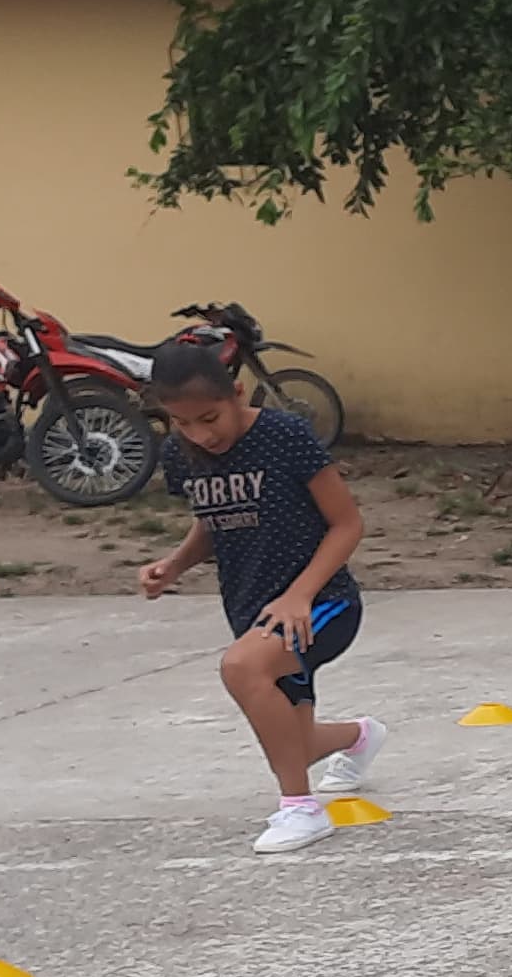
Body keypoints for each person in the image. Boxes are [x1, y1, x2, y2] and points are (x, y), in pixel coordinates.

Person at [137, 340, 382, 856]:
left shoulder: (284, 435)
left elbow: (347, 524)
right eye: (182, 423)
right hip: (253, 610)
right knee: (294, 744)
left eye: (210, 418)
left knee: (241, 667)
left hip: (322, 603)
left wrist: (299, 595)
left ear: (238, 393)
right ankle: (360, 736)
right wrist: (175, 564)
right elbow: (213, 519)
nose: (201, 435)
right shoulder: (181, 454)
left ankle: (300, 809)